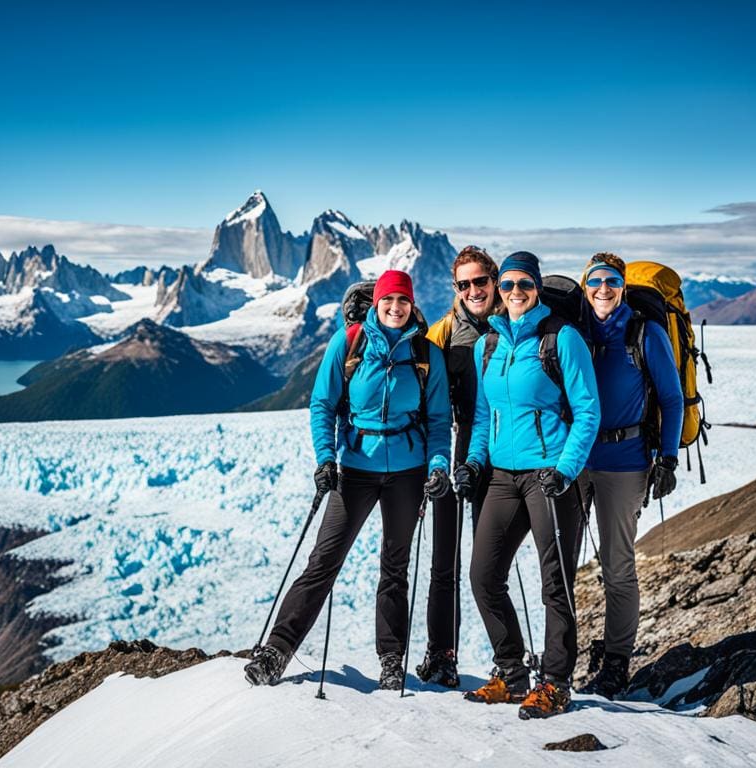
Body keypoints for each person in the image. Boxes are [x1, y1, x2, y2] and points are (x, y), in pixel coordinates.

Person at [244, 270, 453, 690]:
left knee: (395, 567)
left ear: (413, 306)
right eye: (388, 300)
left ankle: (391, 659)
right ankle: (277, 650)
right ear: (377, 302)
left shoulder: (427, 353)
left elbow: (438, 421)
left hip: (408, 474)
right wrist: (326, 459)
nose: (396, 308)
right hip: (354, 469)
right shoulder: (350, 342)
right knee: (324, 560)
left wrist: (437, 466)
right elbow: (322, 404)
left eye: (403, 301)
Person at [454, 251, 599, 719]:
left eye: (525, 285)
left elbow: (587, 410)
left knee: (554, 582)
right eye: (509, 285)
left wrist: (565, 470)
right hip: (500, 476)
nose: (516, 293)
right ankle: (512, 672)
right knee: (483, 575)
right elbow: (482, 416)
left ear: (536, 288)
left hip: (549, 477)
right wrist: (475, 462)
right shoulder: (488, 345)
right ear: (500, 289)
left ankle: (555, 682)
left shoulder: (563, 338)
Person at [577, 253, 683, 700]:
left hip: (625, 463)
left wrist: (668, 457)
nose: (604, 289)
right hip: (578, 459)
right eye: (596, 281)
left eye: (612, 281)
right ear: (585, 288)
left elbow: (672, 398)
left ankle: (616, 661)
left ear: (623, 287)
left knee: (617, 566)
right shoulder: (576, 333)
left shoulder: (645, 333)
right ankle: (561, 657)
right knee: (560, 562)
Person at [415, 246, 500, 688]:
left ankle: (507, 660)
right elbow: (424, 397)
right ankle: (442, 654)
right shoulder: (443, 332)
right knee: (443, 563)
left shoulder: (514, 325)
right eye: (463, 284)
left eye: (479, 282)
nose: (472, 291)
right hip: (449, 455)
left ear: (494, 280)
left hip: (498, 456)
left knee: (489, 567)